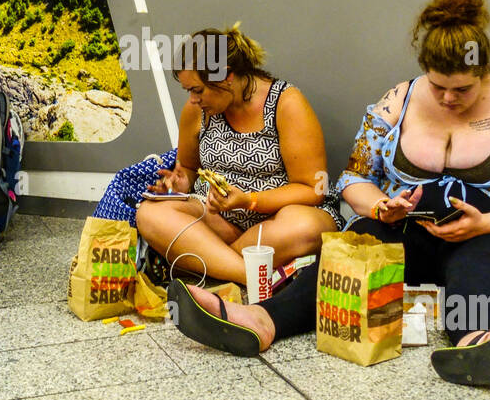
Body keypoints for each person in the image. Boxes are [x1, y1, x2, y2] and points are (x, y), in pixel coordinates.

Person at [170, 0, 490, 386]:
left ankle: (479, 343)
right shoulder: (398, 100)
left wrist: (486, 223)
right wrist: (382, 206)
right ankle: (261, 319)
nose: (448, 99)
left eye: (462, 89)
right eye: (438, 87)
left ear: (482, 72)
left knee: (477, 267)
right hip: (411, 230)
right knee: (355, 247)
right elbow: (354, 178)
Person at [135, 25, 341, 286]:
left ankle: (205, 263)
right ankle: (252, 276)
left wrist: (248, 200)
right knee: (149, 214)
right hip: (218, 220)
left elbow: (313, 189)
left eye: (198, 90)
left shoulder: (286, 103)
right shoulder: (196, 110)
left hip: (275, 222)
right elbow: (188, 167)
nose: (193, 99)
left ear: (226, 76)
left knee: (307, 229)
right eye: (189, 91)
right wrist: (180, 182)